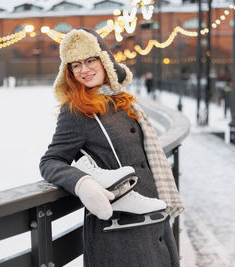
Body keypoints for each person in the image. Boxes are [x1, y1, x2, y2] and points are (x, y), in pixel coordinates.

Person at [39, 28, 184, 266]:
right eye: (75, 65)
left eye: (89, 60)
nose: (84, 70)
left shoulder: (122, 99)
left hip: (155, 222)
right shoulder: (75, 111)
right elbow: (51, 161)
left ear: (104, 60)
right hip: (120, 232)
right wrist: (82, 183)